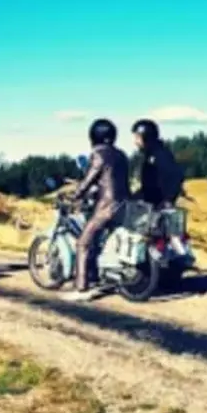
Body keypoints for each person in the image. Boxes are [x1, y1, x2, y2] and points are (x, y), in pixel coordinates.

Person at [66, 118, 130, 301]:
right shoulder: (121, 154)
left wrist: (75, 195)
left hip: (107, 206)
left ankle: (82, 289)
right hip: (125, 204)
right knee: (101, 239)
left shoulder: (98, 154)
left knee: (83, 243)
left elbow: (89, 179)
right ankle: (98, 274)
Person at [131, 118, 185, 208]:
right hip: (151, 206)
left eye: (137, 138)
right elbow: (149, 187)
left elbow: (176, 176)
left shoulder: (160, 155)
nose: (135, 142)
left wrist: (168, 200)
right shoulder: (150, 155)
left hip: (159, 208)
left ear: (146, 136)